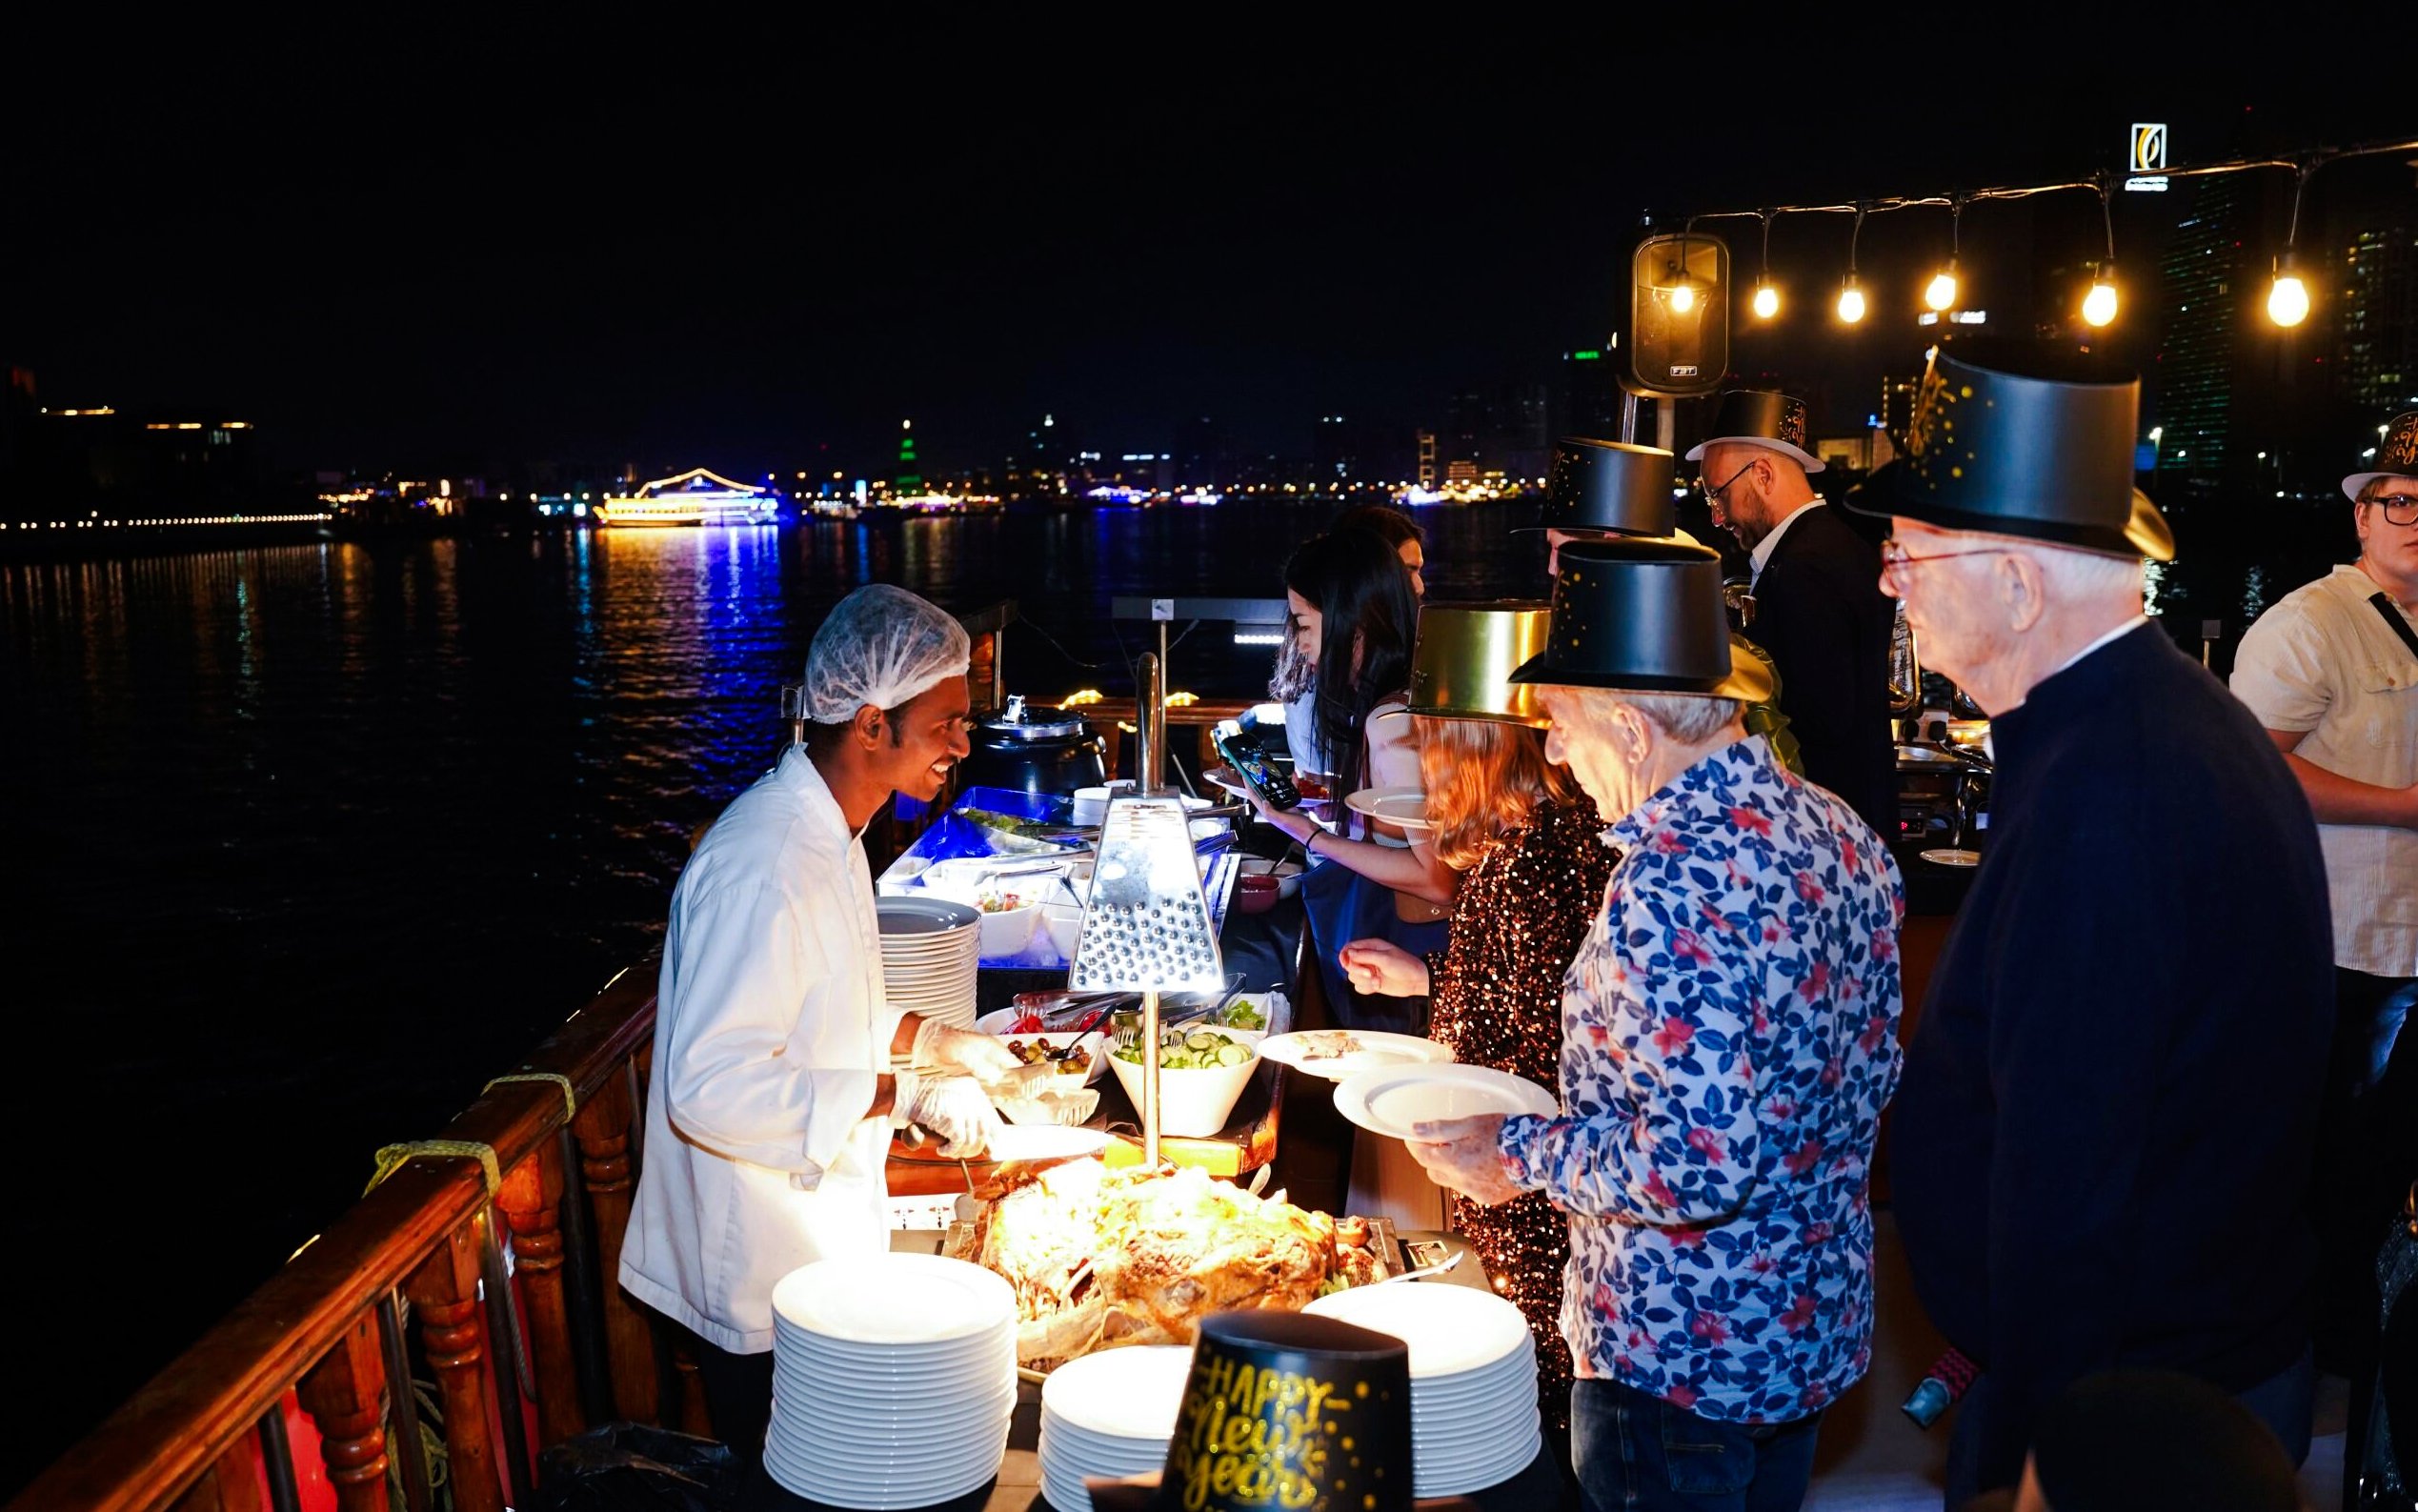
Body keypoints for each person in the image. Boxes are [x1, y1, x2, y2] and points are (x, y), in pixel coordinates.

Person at [1853, 341, 2336, 1504]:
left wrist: (2034, 1448)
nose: (1889, 583)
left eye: (1911, 554)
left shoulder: (2116, 784)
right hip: (2155, 1370)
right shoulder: (2141, 721)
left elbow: (2069, 1176)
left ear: (2019, 583)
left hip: (2127, 1410)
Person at [1405, 536, 1904, 1512]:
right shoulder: (1839, 829)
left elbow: (1696, 1165)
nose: (1550, 751)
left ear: (1632, 731)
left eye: (1558, 723)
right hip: (1807, 1327)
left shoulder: (1672, 885)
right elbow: (1872, 1078)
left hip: (1677, 1358)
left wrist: (1514, 1154)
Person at [618, 584, 1021, 1471]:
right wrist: (898, 1092)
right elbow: (708, 1085)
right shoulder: (763, 861)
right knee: (798, 1487)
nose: (963, 743)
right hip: (757, 1268)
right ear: (872, 725)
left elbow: (817, 1006)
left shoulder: (836, 828)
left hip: (817, 1233)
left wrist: (933, 1040)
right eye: (947, 722)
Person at [1320, 602, 1611, 1466]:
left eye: (1436, 745)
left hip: (1535, 1192)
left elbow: (1545, 1049)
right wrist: (1428, 981)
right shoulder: (1539, 835)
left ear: (1483, 744)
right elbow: (1528, 996)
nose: (1424, 772)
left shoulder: (1534, 860)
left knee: (1547, 1411)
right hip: (1531, 1173)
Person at [2228, 410, 2418, 1381]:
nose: (2414, 519)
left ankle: (2360, 1352)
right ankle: (2290, 1359)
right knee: (2315, 1166)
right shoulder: (2310, 623)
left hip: (2412, 951)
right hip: (2336, 942)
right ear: (2362, 516)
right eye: (2399, 500)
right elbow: (2253, 769)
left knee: (2388, 1172)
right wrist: (2405, 809)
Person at [1686, 391, 1899, 839]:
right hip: (1858, 820)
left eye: (1717, 495)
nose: (1717, 518)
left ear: (1762, 474)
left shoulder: (1805, 569)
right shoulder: (1839, 547)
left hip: (1824, 831)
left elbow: (1819, 720)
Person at [1268, 528, 1447, 1032]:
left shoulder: (1390, 722)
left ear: (1351, 620)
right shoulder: (1410, 691)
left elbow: (1434, 876)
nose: (1300, 643)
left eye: (1304, 623)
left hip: (1410, 944)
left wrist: (1306, 832)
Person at [1273, 504, 1427, 779]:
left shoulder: (1391, 716)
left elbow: (1411, 817)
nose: (1418, 587)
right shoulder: (1324, 671)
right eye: (1405, 572)